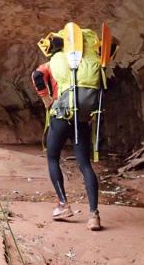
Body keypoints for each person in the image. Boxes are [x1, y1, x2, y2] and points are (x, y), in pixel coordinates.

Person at [31, 31, 101, 231]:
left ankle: (63, 205)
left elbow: (36, 75)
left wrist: (46, 99)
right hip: (83, 118)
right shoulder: (88, 62)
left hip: (61, 115)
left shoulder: (56, 62)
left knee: (53, 158)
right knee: (84, 164)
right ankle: (94, 215)